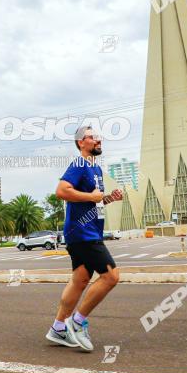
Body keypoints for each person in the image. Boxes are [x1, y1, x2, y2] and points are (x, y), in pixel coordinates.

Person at [45, 125, 124, 352]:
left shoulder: (95, 169)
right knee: (111, 276)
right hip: (83, 233)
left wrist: (109, 198)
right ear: (81, 142)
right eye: (92, 138)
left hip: (86, 231)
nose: (98, 141)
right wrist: (92, 195)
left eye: (99, 137)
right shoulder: (79, 164)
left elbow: (92, 202)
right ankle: (77, 323)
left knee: (80, 280)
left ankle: (58, 327)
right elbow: (62, 191)